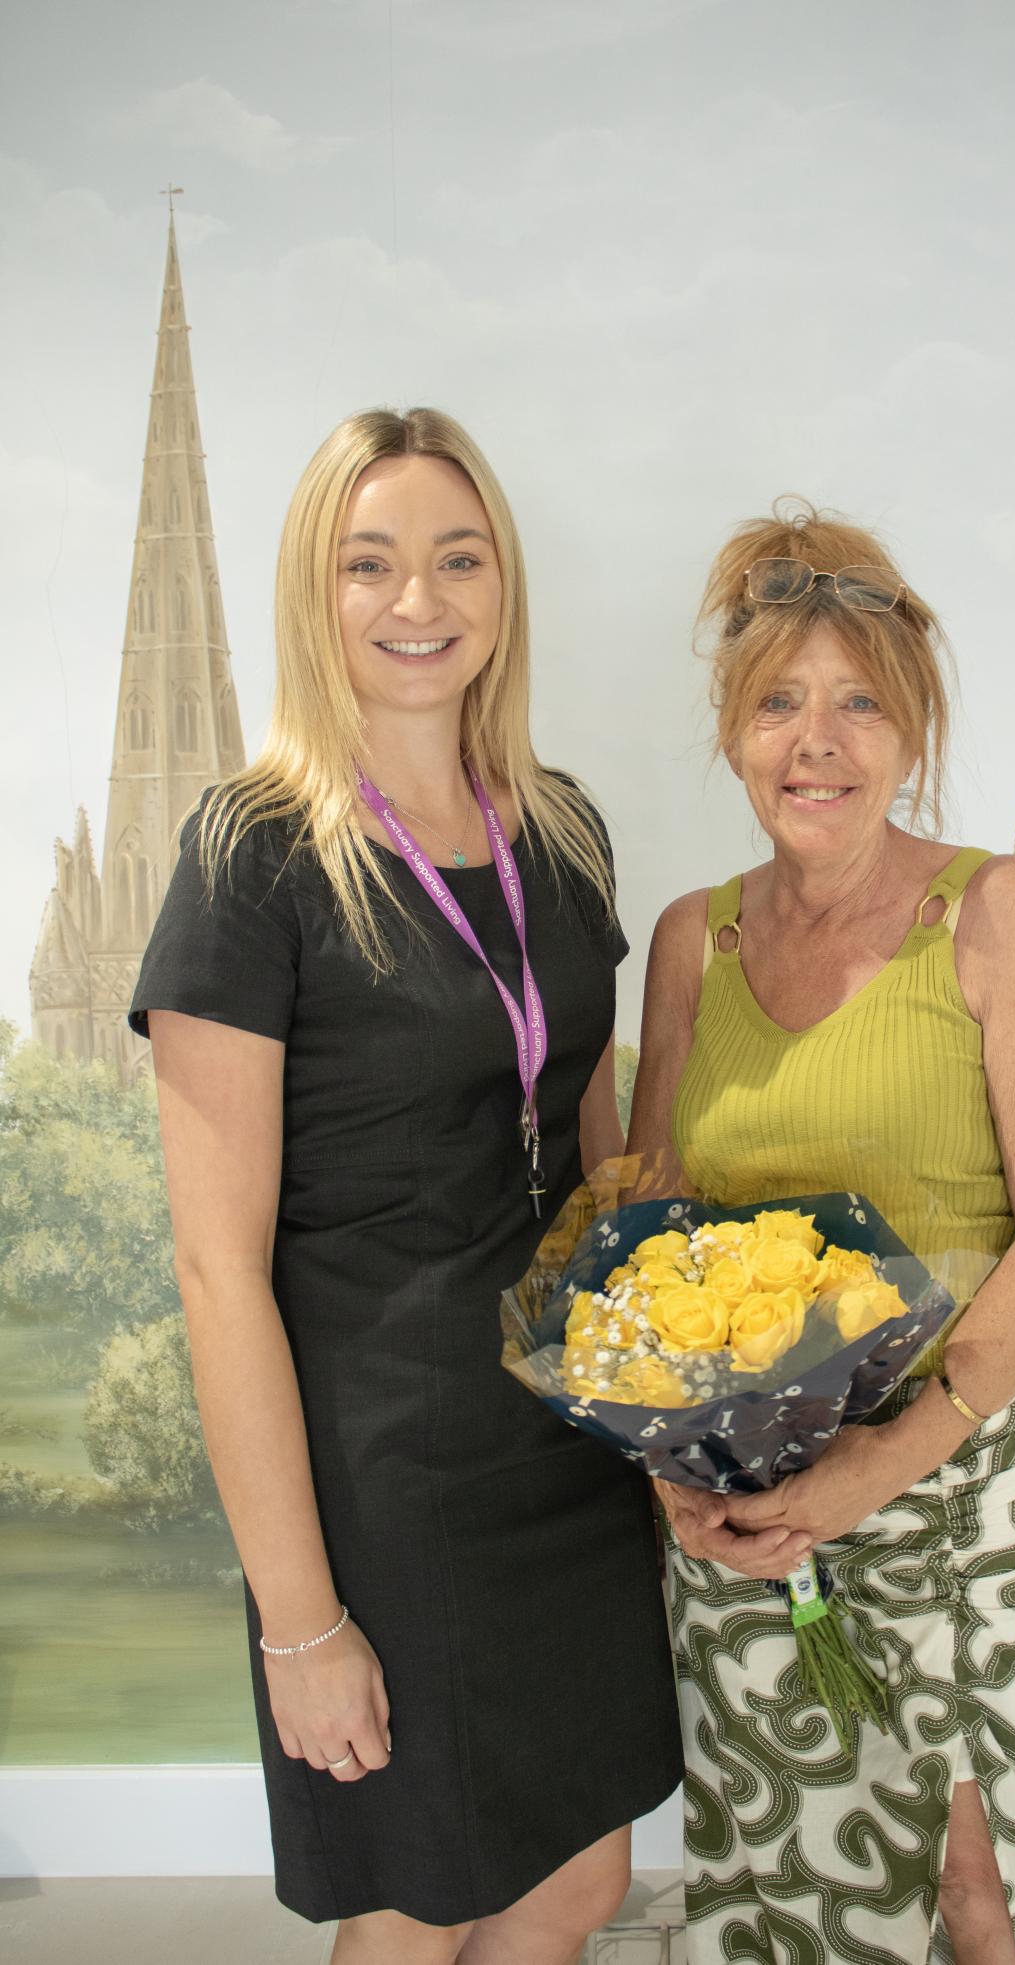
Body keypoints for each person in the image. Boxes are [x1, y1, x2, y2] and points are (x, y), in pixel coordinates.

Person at [129, 408, 682, 1964]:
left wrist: (686, 1401)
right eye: (368, 563)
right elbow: (214, 1271)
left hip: (561, 1466)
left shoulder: (561, 831)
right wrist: (301, 1621)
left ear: (502, 583)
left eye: (456, 555)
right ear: (318, 592)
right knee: (415, 1901)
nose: (416, 598)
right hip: (385, 1483)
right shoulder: (253, 854)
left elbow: (584, 1153)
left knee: (577, 1878)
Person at [627, 503, 1015, 1965]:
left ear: (909, 730)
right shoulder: (685, 938)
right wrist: (673, 1471)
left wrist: (880, 1462)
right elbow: (643, 1229)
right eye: (778, 700)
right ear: (733, 730)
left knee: (977, 1896)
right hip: (751, 1518)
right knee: (781, 1892)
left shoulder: (993, 911)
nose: (815, 741)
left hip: (953, 1497)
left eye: (856, 703)